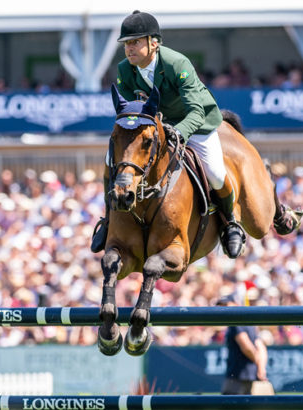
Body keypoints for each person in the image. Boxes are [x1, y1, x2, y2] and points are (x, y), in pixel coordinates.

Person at [91, 10, 245, 258]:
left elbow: (195, 111)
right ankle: (109, 220)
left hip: (195, 123)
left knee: (215, 173)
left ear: (154, 42)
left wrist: (179, 132)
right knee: (112, 161)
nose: (129, 49)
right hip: (157, 127)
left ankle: (230, 224)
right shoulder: (124, 70)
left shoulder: (177, 64)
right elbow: (132, 112)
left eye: (135, 42)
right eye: (127, 44)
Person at [217, 294, 269, 395]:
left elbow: (246, 346)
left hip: (237, 376)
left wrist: (258, 364)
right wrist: (261, 368)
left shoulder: (235, 322)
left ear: (235, 304)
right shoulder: (249, 321)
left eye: (225, 305)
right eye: (220, 306)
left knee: (229, 406)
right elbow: (261, 347)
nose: (222, 309)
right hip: (249, 375)